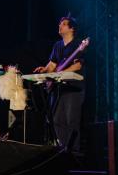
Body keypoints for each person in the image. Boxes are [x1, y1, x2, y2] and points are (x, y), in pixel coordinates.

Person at [33, 16, 85, 151]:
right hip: (58, 89)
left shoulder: (78, 44)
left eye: (63, 24)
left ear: (72, 28)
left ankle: (73, 152)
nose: (60, 26)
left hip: (73, 88)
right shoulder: (57, 45)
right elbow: (52, 64)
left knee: (71, 121)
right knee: (56, 120)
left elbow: (78, 65)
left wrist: (59, 73)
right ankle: (62, 150)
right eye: (59, 24)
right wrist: (44, 70)